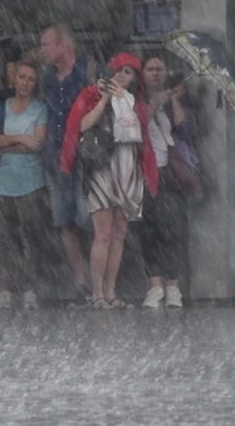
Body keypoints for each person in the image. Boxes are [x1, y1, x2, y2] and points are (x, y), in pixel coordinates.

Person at [60, 53, 158, 310]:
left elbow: (141, 135)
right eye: (119, 70)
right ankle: (97, 294)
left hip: (128, 170)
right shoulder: (91, 95)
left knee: (119, 234)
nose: (123, 76)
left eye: (129, 72)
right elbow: (81, 125)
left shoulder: (136, 103)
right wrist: (105, 98)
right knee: (102, 234)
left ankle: (110, 290)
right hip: (104, 169)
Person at [38, 23, 96, 305]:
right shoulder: (48, 80)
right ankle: (81, 284)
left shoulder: (87, 73)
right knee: (65, 222)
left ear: (64, 47)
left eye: (46, 45)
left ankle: (100, 283)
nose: (42, 51)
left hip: (84, 158)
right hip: (55, 159)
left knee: (91, 219)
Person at [0, 59, 49, 311]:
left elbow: (39, 144)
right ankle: (5, 290)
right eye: (21, 77)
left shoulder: (40, 108)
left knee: (30, 239)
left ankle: (29, 290)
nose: (25, 83)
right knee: (4, 241)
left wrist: (5, 144)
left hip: (31, 183)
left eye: (30, 79)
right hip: (3, 184)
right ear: (14, 79)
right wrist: (22, 139)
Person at [141, 55, 200, 310]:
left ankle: (173, 287)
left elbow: (186, 129)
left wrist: (174, 99)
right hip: (145, 173)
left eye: (159, 69)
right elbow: (133, 127)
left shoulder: (175, 96)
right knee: (149, 230)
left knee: (173, 229)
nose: (154, 73)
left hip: (169, 173)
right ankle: (155, 287)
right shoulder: (136, 98)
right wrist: (153, 104)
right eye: (150, 69)